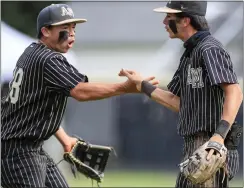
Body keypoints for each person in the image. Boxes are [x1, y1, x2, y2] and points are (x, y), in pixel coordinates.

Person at [1, 3, 158, 188]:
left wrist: (65, 139)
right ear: (45, 31)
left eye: (73, 28)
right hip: (19, 152)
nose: (72, 33)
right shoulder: (48, 60)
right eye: (64, 28)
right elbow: (80, 91)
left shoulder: (32, 52)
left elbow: (35, 110)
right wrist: (124, 88)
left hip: (26, 147)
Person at [119, 1, 243, 188]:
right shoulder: (189, 53)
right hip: (196, 145)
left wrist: (218, 136)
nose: (164, 22)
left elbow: (235, 91)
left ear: (185, 21)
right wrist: (142, 85)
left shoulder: (209, 48)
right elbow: (177, 102)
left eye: (169, 18)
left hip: (211, 145)